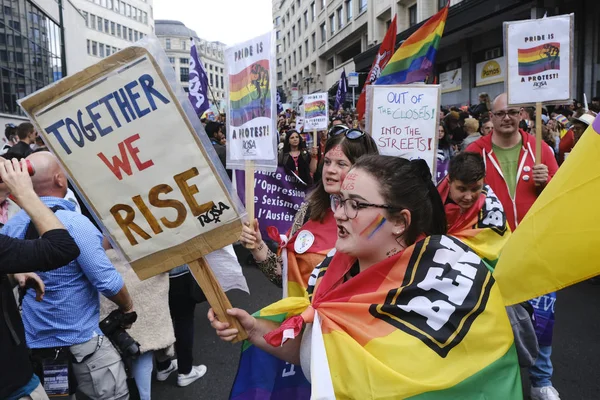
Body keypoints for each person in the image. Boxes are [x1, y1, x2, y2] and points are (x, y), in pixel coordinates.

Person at [211, 155, 522, 399]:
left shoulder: (442, 288)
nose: (341, 213)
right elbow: (316, 352)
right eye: (340, 200)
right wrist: (254, 330)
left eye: (356, 205)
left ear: (400, 222)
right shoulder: (329, 271)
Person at [2, 152, 135, 400]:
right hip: (83, 345)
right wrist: (127, 307)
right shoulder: (74, 224)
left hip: (39, 347)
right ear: (60, 179)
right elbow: (107, 281)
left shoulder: (11, 227)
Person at [466, 93, 560, 400]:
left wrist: (548, 181)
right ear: (490, 118)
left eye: (513, 112)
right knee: (488, 321)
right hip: (488, 253)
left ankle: (541, 381)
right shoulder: (474, 152)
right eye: (501, 113)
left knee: (541, 320)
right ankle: (494, 382)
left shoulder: (541, 149)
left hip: (534, 248)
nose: (507, 117)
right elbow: (457, 197)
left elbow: (560, 197)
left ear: (522, 115)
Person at [241, 129, 378, 296]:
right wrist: (257, 246)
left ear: (362, 169)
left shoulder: (377, 223)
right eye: (327, 162)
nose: (330, 170)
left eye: (341, 164)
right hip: (299, 320)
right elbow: (283, 276)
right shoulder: (310, 210)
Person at [1, 158, 81, 400]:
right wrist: (26, 194)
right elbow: (62, 248)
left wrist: (12, 275)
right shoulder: (76, 222)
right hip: (12, 384)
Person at [100, 239, 176, 400]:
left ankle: (135, 392)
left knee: (128, 347)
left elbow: (104, 246)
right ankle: (143, 395)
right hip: (146, 275)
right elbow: (168, 259)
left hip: (120, 274)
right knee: (143, 348)